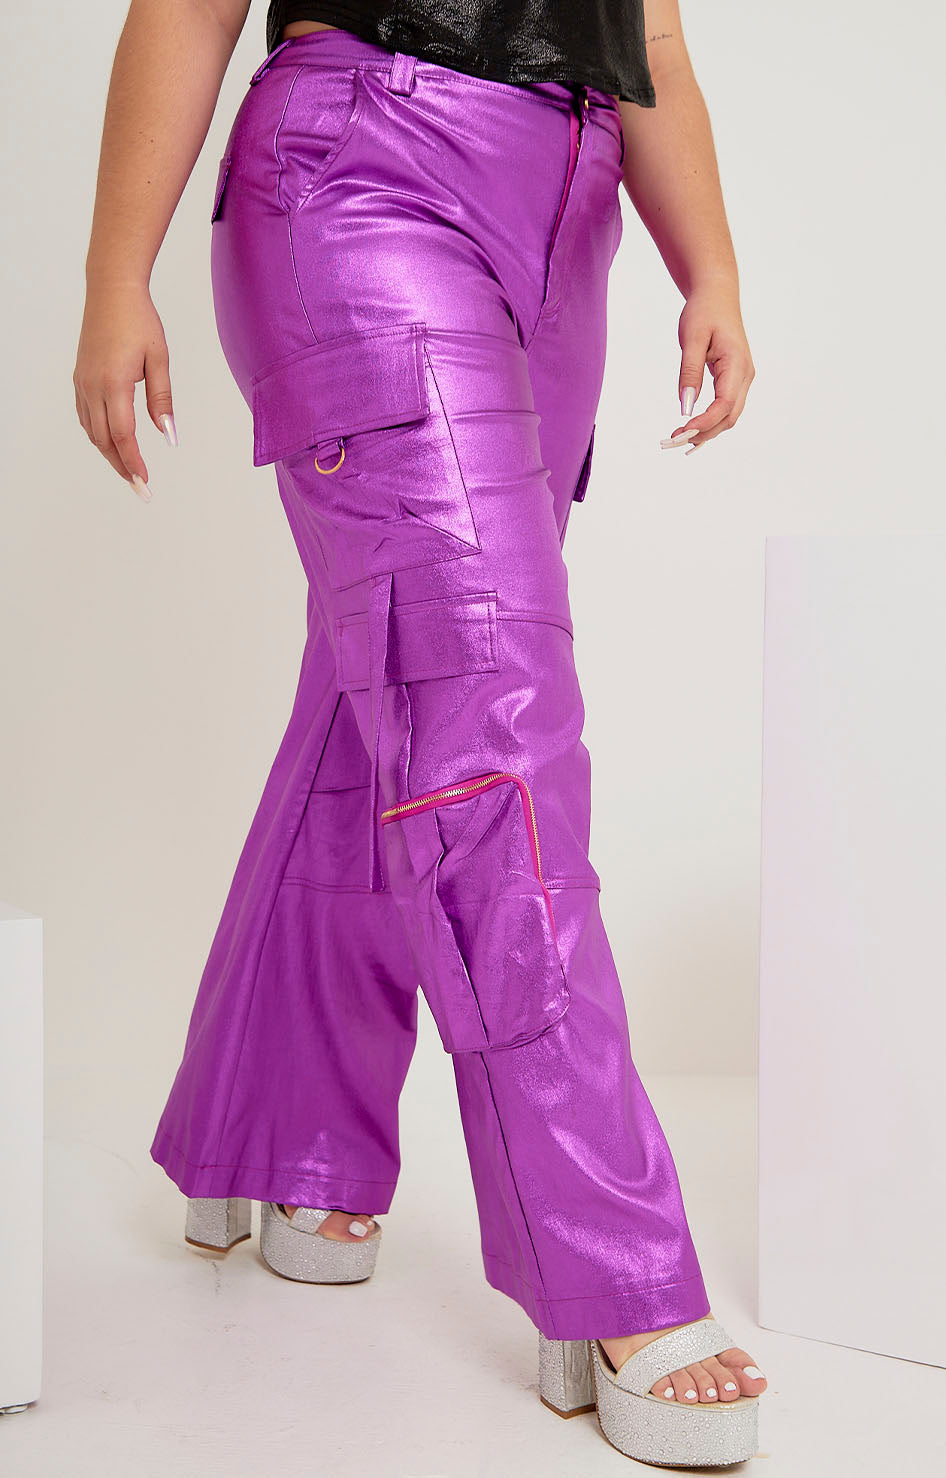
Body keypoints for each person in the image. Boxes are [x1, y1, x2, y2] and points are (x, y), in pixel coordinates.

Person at [73, 0, 762, 1464]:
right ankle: (615, 1268)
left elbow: (651, 37)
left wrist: (709, 265)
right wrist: (113, 276)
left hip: (569, 211)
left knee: (391, 687)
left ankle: (284, 1135)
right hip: (363, 172)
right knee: (487, 725)